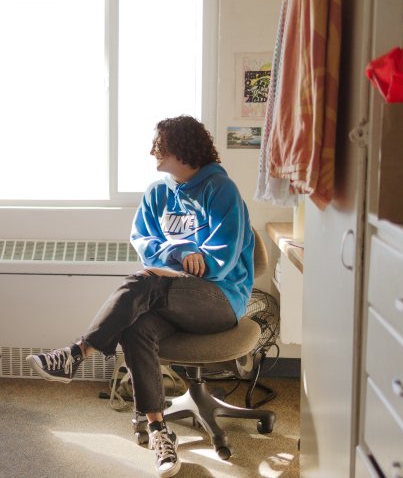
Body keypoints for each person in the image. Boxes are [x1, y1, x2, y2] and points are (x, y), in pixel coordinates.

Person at [26, 115, 253, 477]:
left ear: (183, 149)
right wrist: (178, 253)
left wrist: (191, 259)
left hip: (219, 298)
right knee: (135, 327)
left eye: (160, 146)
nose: (153, 153)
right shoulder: (158, 192)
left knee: (144, 281)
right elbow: (144, 243)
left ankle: (77, 352)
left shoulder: (221, 191)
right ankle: (158, 430)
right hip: (168, 292)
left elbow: (222, 260)